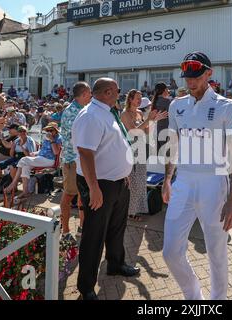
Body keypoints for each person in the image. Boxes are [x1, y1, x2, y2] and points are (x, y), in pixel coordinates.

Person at [162, 52, 232, 300]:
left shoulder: (227, 107)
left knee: (216, 251)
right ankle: (193, 295)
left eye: (196, 76)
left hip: (214, 181)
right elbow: (172, 145)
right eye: (187, 76)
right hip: (183, 181)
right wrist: (167, 179)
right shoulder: (176, 105)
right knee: (170, 252)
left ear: (209, 73)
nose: (191, 81)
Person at [72, 78, 140, 300]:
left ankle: (115, 263)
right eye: (118, 91)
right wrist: (94, 188)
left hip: (116, 181)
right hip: (99, 184)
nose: (119, 94)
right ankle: (86, 286)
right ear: (109, 91)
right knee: (94, 235)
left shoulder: (107, 112)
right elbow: (85, 153)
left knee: (117, 228)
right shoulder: (91, 116)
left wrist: (122, 174)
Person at [121, 89, 168, 222]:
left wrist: (154, 120)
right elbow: (132, 132)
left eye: (141, 98)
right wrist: (148, 120)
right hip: (130, 150)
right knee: (132, 182)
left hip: (141, 149)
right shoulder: (124, 114)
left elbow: (146, 132)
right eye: (137, 98)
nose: (140, 101)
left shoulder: (140, 113)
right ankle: (129, 212)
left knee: (140, 182)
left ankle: (135, 210)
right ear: (130, 99)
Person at [60, 82, 92, 242]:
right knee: (69, 195)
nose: (92, 96)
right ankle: (65, 231)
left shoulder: (81, 110)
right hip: (72, 161)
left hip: (79, 160)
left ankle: (82, 227)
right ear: (84, 93)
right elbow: (78, 138)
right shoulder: (72, 112)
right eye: (90, 93)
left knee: (81, 195)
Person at [5, 122, 62, 198]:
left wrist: (52, 140)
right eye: (48, 130)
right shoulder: (46, 137)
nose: (49, 132)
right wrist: (35, 153)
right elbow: (42, 150)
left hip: (49, 160)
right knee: (25, 167)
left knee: (23, 159)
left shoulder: (58, 138)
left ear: (56, 131)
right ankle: (25, 192)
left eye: (51, 130)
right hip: (41, 158)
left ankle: (13, 184)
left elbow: (56, 152)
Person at [151, 82, 171, 152]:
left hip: (156, 132)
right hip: (166, 132)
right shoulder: (167, 101)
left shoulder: (154, 102)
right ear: (165, 90)